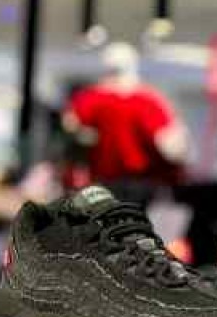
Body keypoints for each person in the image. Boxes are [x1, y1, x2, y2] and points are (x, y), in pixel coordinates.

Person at [63, 42, 187, 204]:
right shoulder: (148, 100)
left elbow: (70, 123)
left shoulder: (93, 97)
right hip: (140, 181)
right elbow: (170, 144)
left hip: (107, 179)